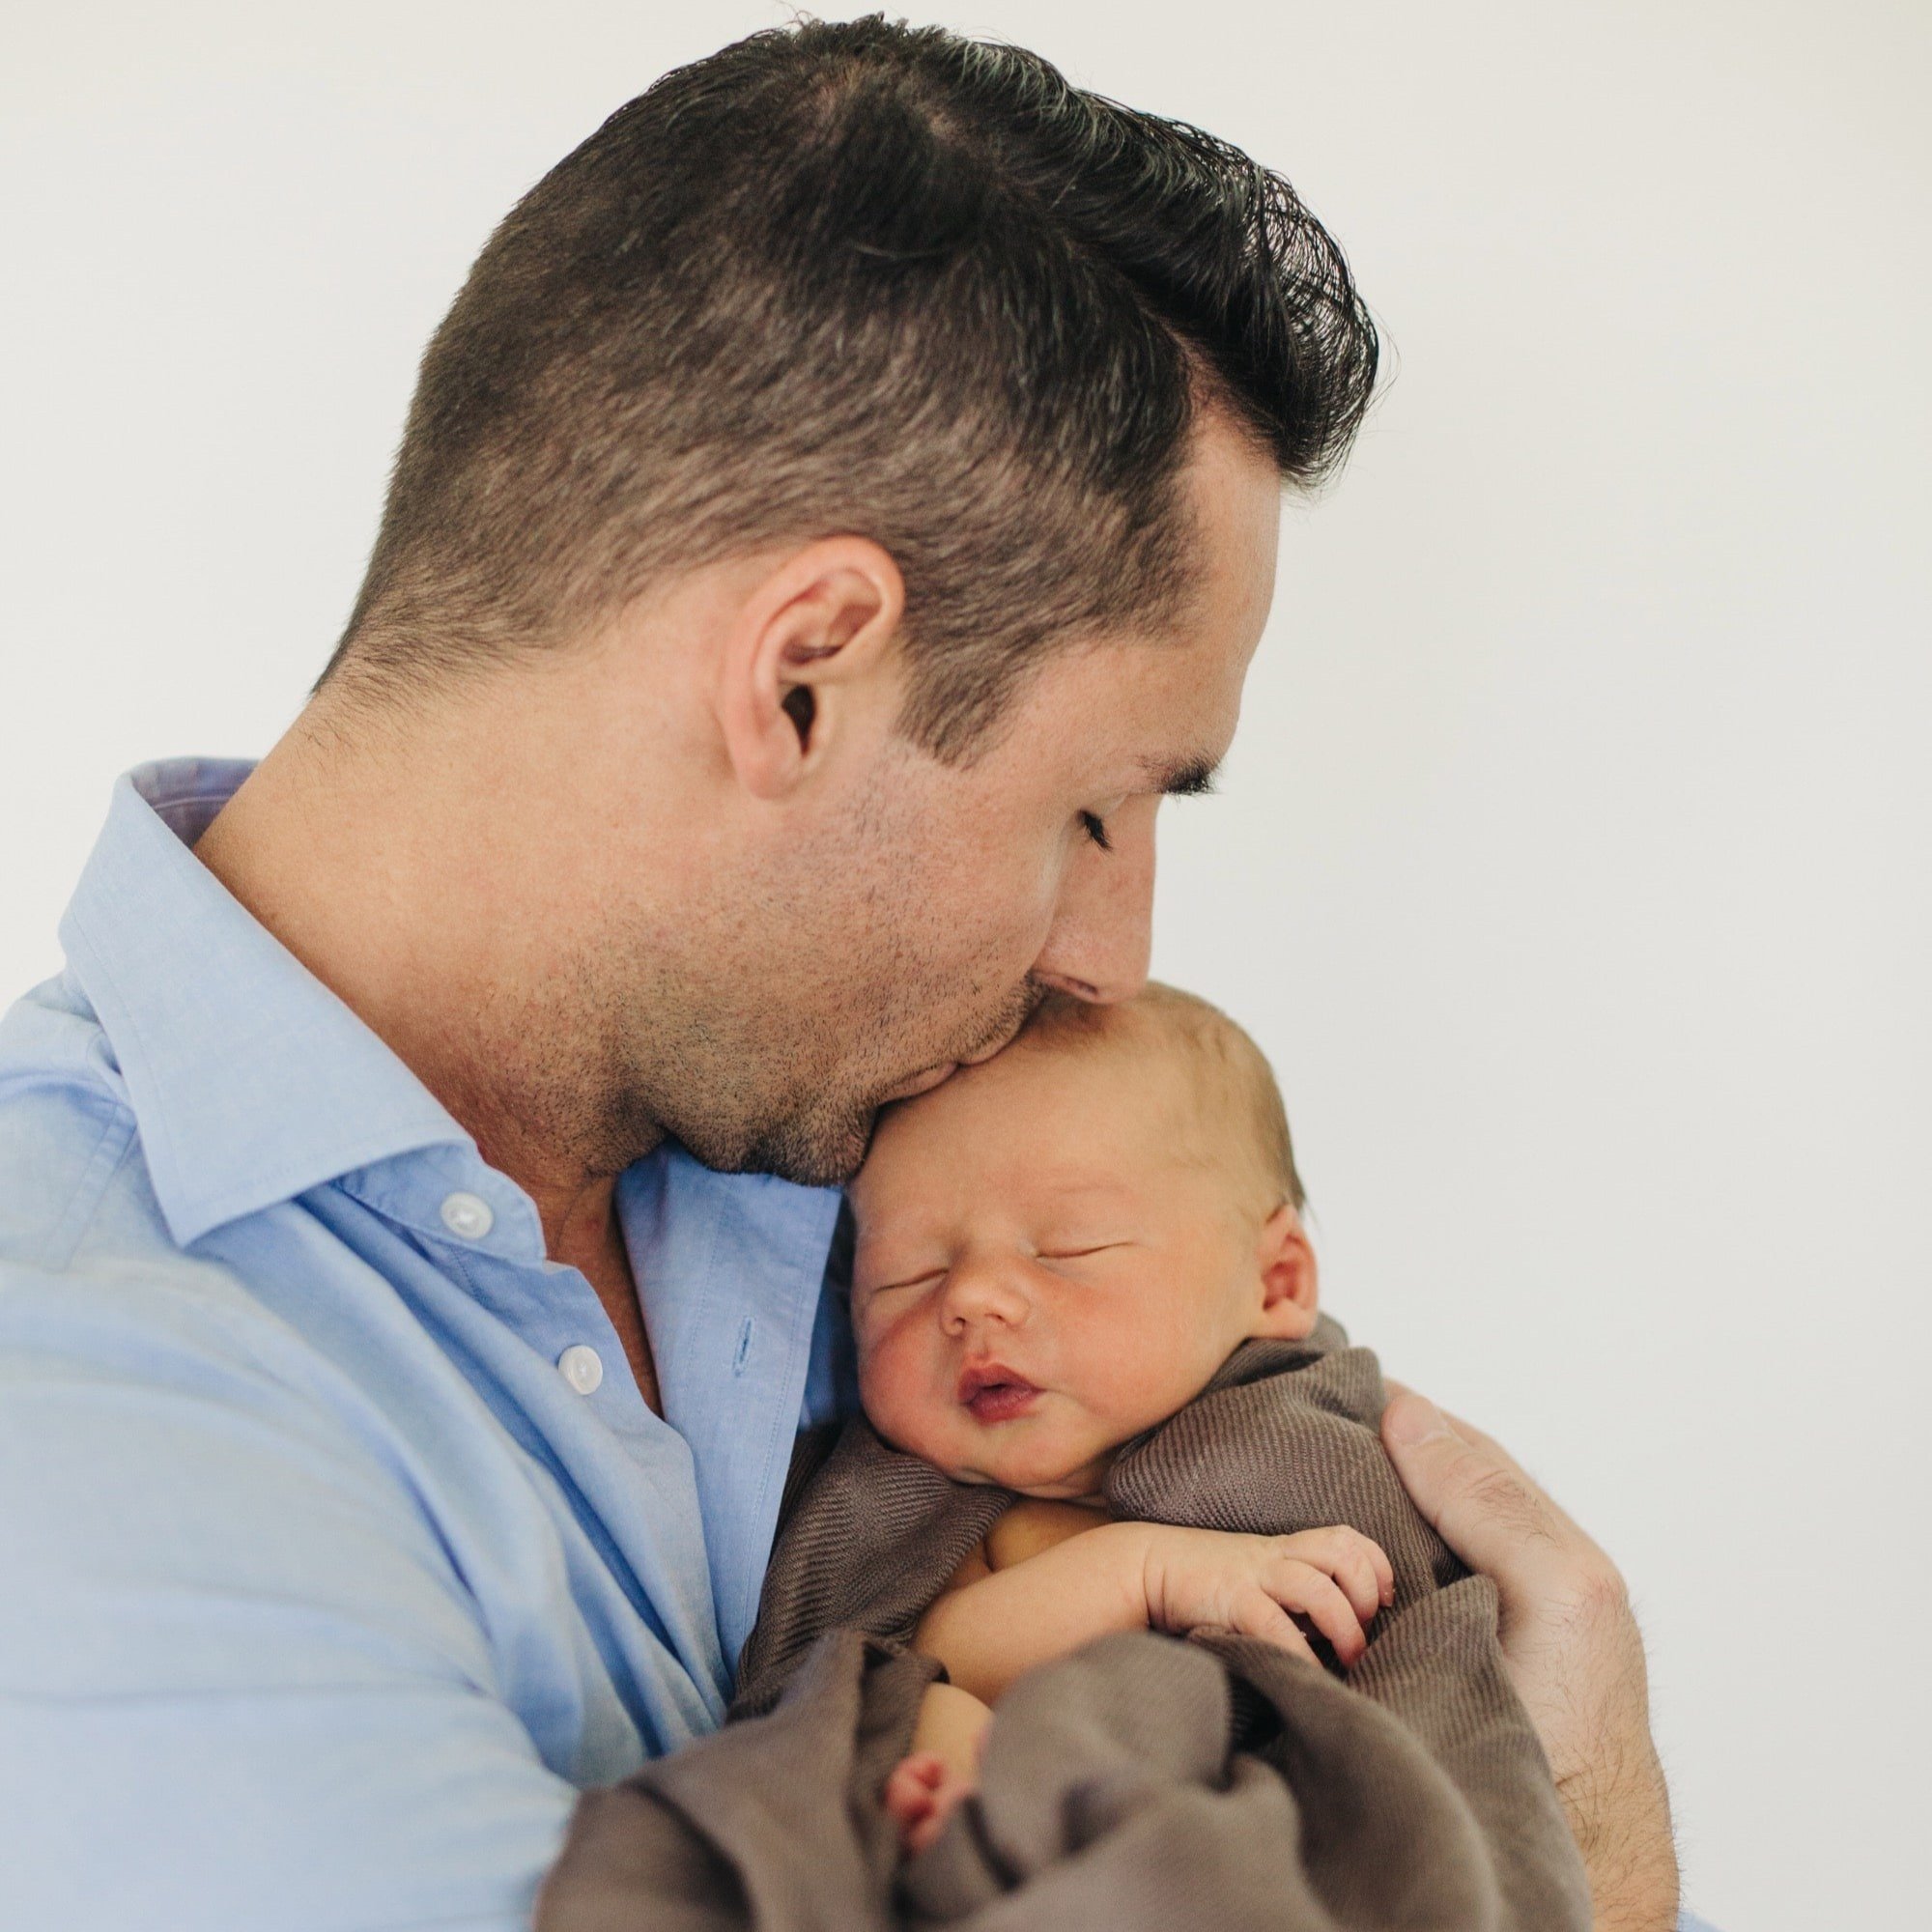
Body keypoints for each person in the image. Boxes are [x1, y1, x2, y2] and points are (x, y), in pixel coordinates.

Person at [0, 16, 1683, 1932]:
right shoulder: (79, 1408)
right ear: (803, 676)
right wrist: (1604, 1866)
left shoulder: (885, 1148)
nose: (1111, 963)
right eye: (1094, 810)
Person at [844, 982, 1400, 1854]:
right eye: (908, 1275)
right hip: (1068, 1818)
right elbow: (944, 1649)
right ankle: (966, 1827)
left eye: (1068, 1247)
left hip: (1296, 1830)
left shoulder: (1318, 1437)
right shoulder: (956, 1520)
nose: (972, 1297)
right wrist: (1147, 1571)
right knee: (922, 1711)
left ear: (1275, 1282)